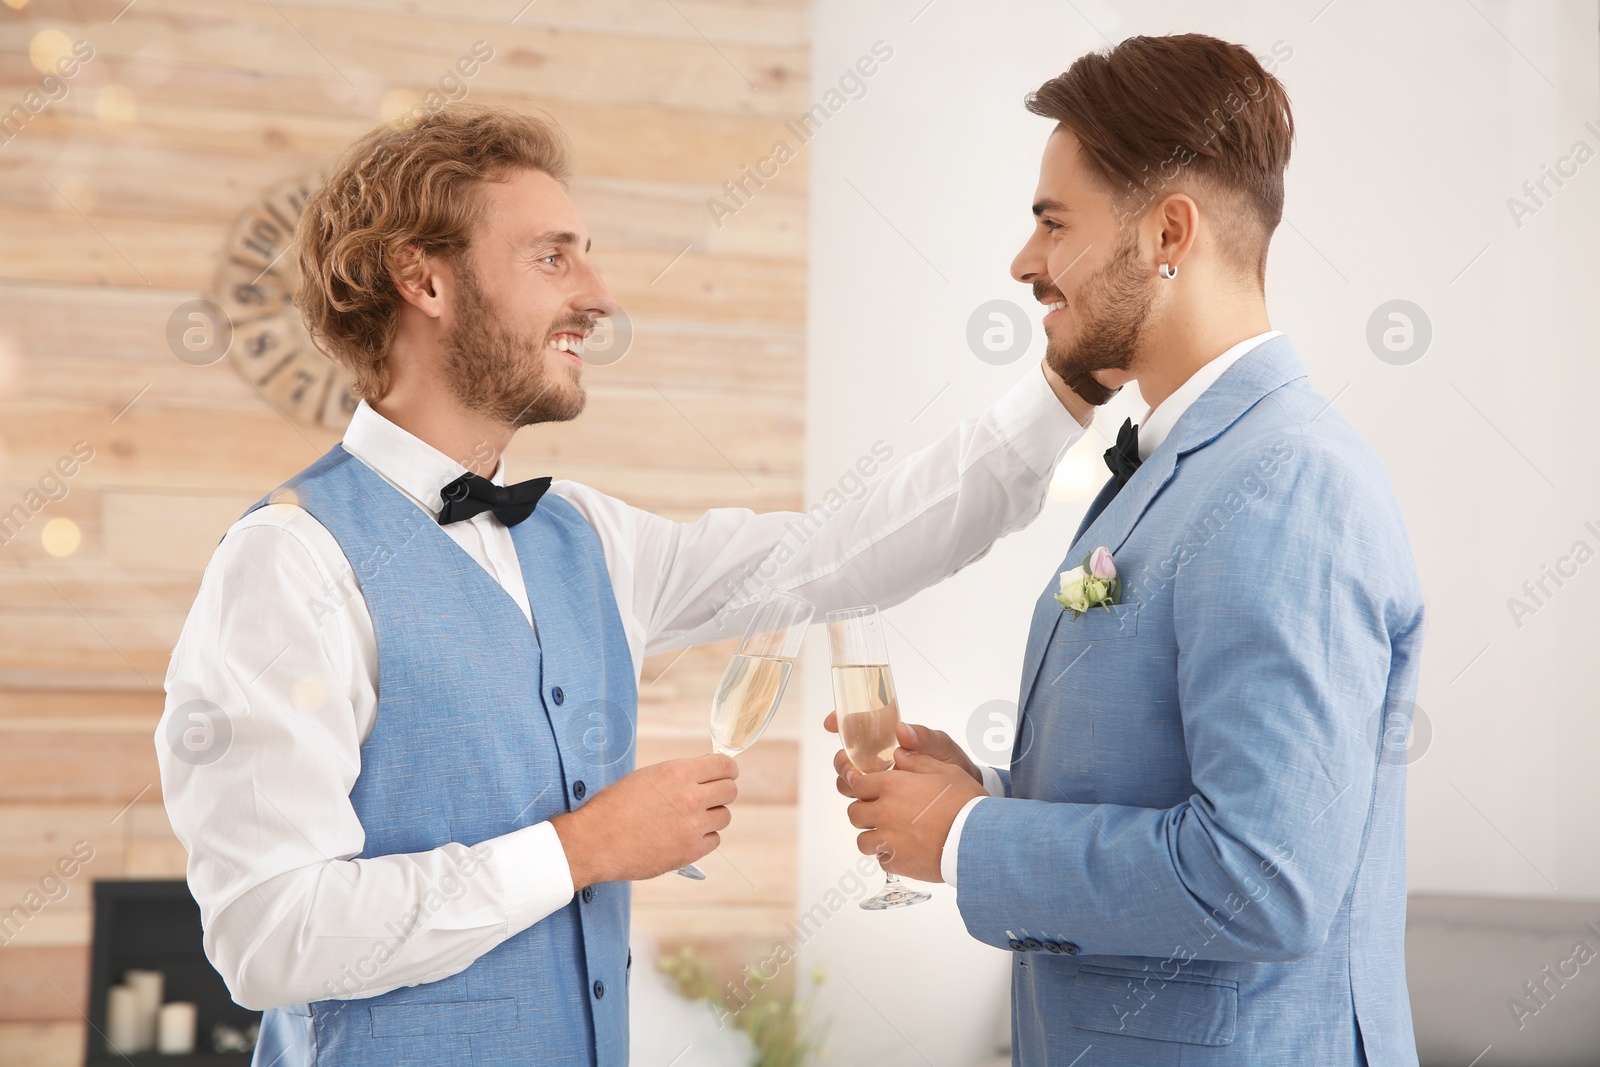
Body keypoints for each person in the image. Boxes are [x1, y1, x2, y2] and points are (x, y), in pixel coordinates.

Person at [155, 104, 1101, 1066]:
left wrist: (1071, 389)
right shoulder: (289, 561)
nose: (600, 296)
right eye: (553, 257)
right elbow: (269, 936)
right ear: (424, 277)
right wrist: (580, 849)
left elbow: (844, 550)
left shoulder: (587, 535)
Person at [833, 34, 1424, 1066]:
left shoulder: (1286, 482)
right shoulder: (1170, 465)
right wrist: (983, 793)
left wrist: (971, 839)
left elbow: (1261, 877)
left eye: (1052, 224)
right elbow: (1170, 792)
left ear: (1167, 231)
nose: (1024, 264)